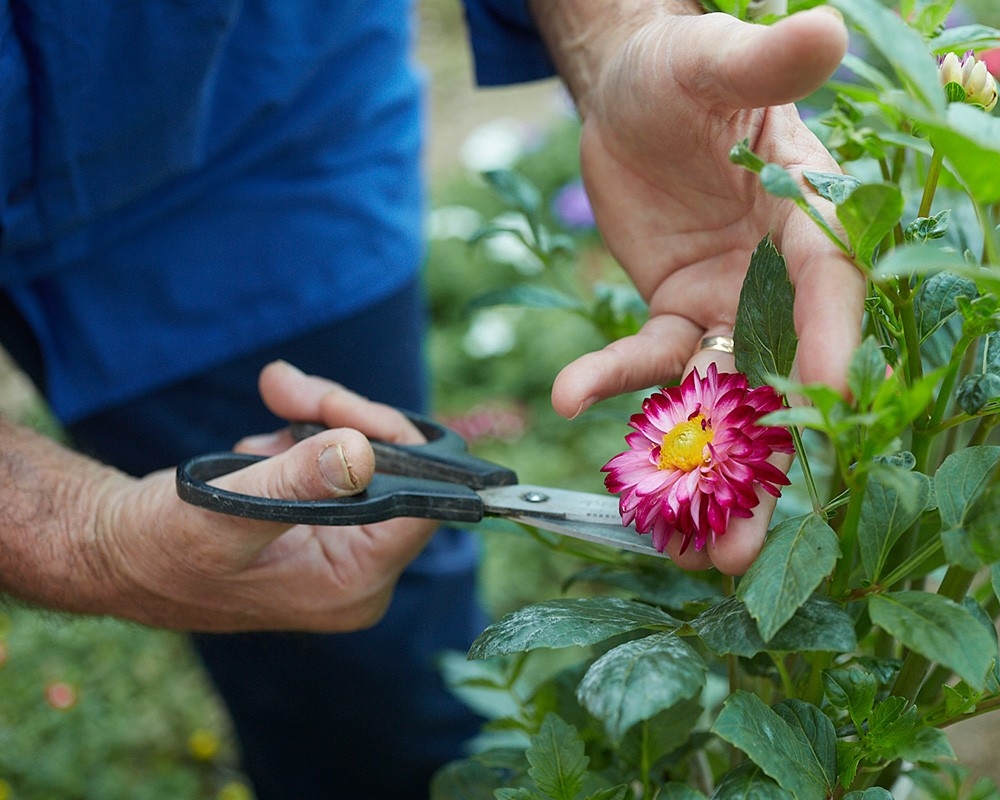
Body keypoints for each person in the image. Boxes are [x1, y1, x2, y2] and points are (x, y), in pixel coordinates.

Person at [0, 0, 862, 797]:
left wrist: (609, 36)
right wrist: (87, 538)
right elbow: (90, 538)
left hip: (262, 126)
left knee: (361, 669)